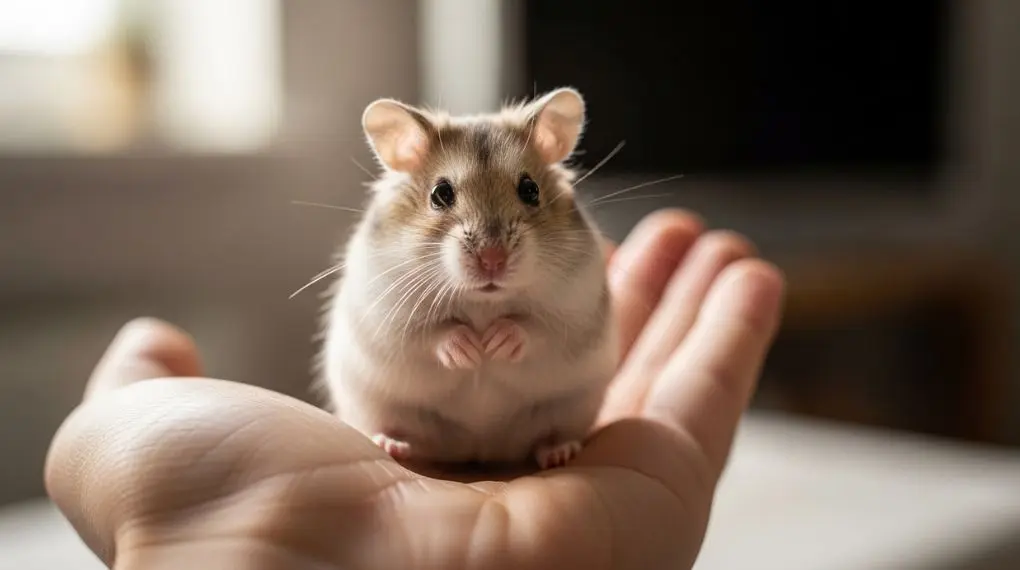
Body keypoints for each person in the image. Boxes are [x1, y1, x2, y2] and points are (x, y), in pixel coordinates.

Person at [44, 209, 785, 570]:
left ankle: (552, 437)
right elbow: (377, 342)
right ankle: (397, 438)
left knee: (583, 372)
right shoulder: (380, 252)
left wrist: (529, 345)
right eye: (446, 196)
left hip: (541, 423)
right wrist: (437, 343)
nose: (492, 247)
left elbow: (583, 345)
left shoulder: (577, 250)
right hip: (407, 415)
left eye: (525, 194)